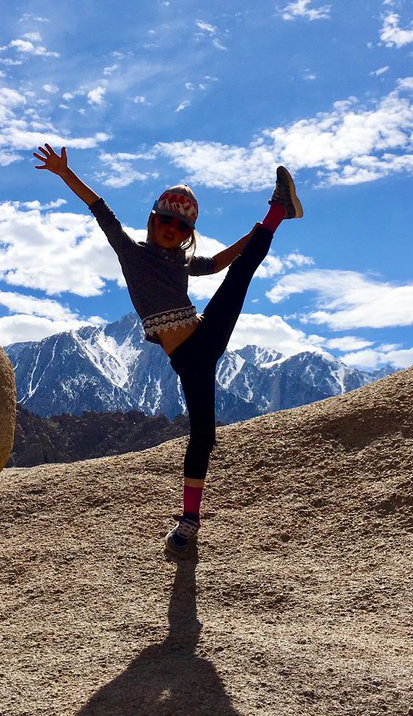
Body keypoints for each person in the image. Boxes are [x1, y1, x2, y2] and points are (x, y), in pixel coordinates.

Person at [33, 144, 303, 558]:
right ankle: (190, 520)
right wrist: (64, 174)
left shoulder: (181, 262)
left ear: (187, 234)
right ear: (152, 220)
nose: (171, 229)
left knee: (242, 274)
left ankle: (278, 211)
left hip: (204, 337)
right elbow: (99, 208)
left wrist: (253, 237)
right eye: (165, 219)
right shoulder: (132, 253)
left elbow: (216, 265)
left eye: (180, 226)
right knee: (203, 437)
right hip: (188, 362)